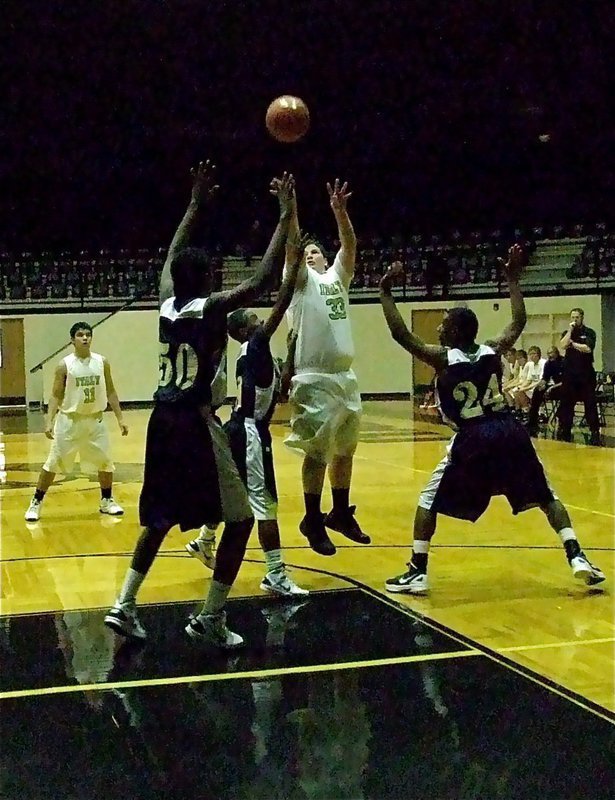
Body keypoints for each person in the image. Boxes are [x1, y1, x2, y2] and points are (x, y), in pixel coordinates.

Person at [104, 162, 296, 647]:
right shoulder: (210, 308)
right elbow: (265, 278)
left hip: (160, 421)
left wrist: (192, 205)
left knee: (159, 517)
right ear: (208, 278)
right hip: (193, 420)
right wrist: (285, 215)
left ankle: (124, 604)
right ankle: (211, 616)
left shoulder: (167, 303)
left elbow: (170, 258)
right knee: (241, 519)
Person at [378, 246, 605, 595]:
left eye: (444, 324)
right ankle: (577, 555)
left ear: (455, 332)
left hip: (474, 436)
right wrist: (513, 281)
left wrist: (386, 292)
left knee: (427, 501)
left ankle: (417, 570)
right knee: (547, 496)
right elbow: (518, 321)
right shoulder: (491, 349)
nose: (439, 329)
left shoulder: (442, 358)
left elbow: (400, 335)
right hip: (510, 431)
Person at [185, 249, 309, 598]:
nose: (260, 319)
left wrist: (288, 359)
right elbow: (281, 303)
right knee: (263, 503)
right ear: (243, 330)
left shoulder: (256, 351)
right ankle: (275, 573)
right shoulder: (254, 343)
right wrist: (293, 267)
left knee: (232, 494)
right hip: (250, 431)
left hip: (240, 427)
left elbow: (279, 394)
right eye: (253, 318)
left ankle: (204, 539)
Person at [283, 179, 369, 556]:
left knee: (345, 451)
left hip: (345, 378)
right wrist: (291, 209)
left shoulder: (337, 279)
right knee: (316, 454)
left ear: (324, 256)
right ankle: (312, 520)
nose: (310, 254)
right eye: (306, 252)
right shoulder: (299, 284)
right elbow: (291, 245)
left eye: (315, 251)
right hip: (313, 376)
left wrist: (340, 211)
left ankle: (339, 512)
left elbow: (350, 245)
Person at [24, 322, 128, 522]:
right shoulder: (65, 365)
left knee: (106, 463)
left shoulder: (101, 362)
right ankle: (36, 502)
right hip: (70, 422)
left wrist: (120, 418)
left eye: (88, 334)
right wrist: (49, 421)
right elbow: (55, 395)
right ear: (72, 340)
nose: (85, 338)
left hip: (95, 421)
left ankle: (106, 500)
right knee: (52, 464)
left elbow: (111, 391)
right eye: (80, 335)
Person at [557, 308, 601, 445]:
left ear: (582, 317)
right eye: (572, 317)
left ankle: (594, 431)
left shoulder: (589, 332)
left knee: (590, 403)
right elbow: (563, 345)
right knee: (567, 403)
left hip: (585, 374)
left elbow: (587, 348)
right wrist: (570, 332)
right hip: (570, 374)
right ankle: (565, 430)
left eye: (577, 317)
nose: (574, 319)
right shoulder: (567, 333)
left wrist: (574, 344)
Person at [527, 346, 564, 435]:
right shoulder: (548, 363)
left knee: (565, 393)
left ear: (556, 353)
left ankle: (561, 420)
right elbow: (545, 378)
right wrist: (541, 385)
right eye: (548, 354)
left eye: (551, 353)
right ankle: (532, 421)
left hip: (564, 386)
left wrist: (551, 387)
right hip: (554, 386)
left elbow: (566, 380)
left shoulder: (564, 362)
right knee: (537, 391)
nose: (549, 355)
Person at [511, 345, 546, 411]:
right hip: (532, 386)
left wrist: (526, 388)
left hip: (542, 385)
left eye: (533, 353)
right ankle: (525, 410)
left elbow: (541, 381)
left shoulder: (543, 363)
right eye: (530, 354)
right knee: (517, 391)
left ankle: (540, 412)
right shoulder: (531, 365)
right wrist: (520, 387)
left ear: (538, 354)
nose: (532, 356)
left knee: (532, 391)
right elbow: (529, 380)